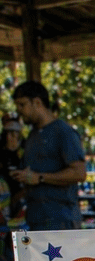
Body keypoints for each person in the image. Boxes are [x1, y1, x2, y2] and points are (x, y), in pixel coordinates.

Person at [10, 80, 86, 231]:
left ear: (37, 102)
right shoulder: (31, 136)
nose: (18, 110)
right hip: (35, 219)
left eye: (22, 104)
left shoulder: (63, 132)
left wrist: (40, 177)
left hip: (61, 220)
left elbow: (79, 172)